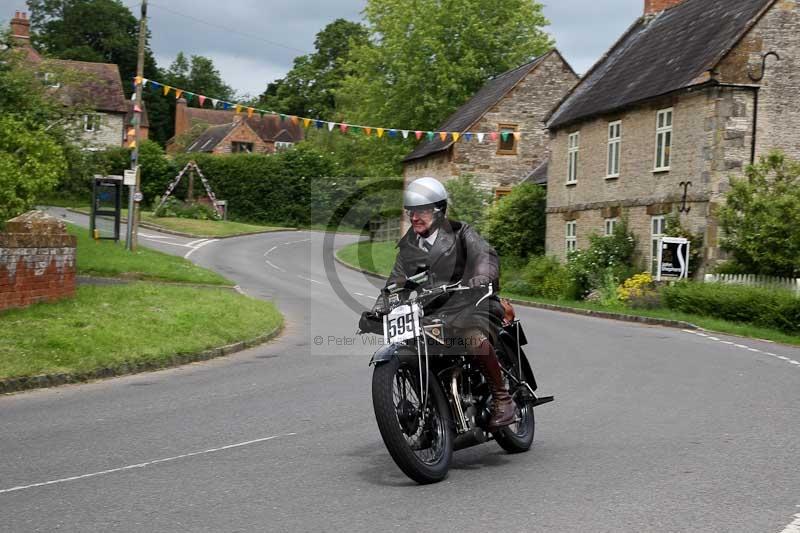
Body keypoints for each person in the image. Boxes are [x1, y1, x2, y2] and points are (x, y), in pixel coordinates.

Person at [387, 176, 515, 430]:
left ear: (439, 211)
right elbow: (395, 283)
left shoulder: (460, 233)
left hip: (471, 303)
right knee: (413, 347)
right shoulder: (408, 248)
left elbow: (484, 255)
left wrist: (482, 275)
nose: (414, 218)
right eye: (411, 212)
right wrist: (384, 303)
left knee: (470, 336)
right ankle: (433, 416)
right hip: (434, 313)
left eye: (421, 211)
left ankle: (503, 398)